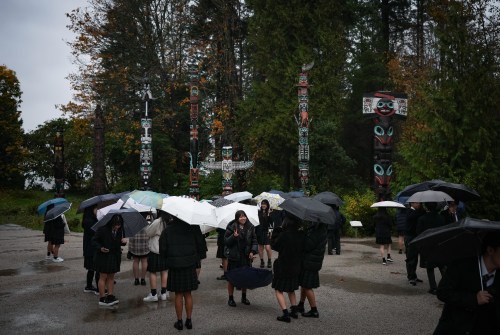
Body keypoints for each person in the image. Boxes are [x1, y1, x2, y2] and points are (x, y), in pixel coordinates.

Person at [433, 232, 500, 334]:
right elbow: (443, 292)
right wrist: (473, 298)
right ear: (490, 250)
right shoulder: (461, 266)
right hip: (456, 327)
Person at [164, 217, 207, 330]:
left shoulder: (168, 229)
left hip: (175, 264)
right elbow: (201, 245)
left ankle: (179, 322)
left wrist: (168, 259)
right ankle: (189, 321)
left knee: (178, 294)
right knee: (188, 293)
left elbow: (162, 249)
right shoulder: (194, 227)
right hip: (190, 263)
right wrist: (197, 259)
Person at [270, 213, 304, 322]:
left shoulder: (284, 235)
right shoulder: (301, 234)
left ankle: (285, 314)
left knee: (278, 290)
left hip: (283, 265)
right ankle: (294, 311)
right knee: (291, 289)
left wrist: (276, 231)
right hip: (295, 265)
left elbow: (274, 245)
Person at [224, 210, 258, 307]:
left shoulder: (250, 227)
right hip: (234, 256)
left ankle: (244, 297)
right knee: (231, 278)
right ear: (237, 218)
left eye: (244, 216)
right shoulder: (231, 226)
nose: (243, 218)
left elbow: (254, 241)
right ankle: (230, 298)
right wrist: (233, 236)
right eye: (240, 217)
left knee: (245, 277)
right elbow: (226, 242)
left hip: (245, 256)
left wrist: (252, 251)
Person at [92, 214, 127, 306]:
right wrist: (100, 248)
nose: (117, 227)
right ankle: (102, 298)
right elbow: (94, 241)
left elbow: (117, 243)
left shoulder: (120, 231)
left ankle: (110, 295)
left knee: (111, 277)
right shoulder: (102, 229)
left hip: (114, 256)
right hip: (103, 256)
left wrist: (123, 242)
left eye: (119, 225)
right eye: (116, 225)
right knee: (103, 276)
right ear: (111, 223)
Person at [296, 220, 328, 318]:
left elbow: (308, 245)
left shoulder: (318, 230)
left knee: (307, 286)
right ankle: (301, 305)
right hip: (312, 260)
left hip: (311, 261)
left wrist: (302, 235)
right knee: (304, 284)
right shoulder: (318, 228)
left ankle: (314, 310)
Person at [417, 202, 446, 294]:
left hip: (427, 244)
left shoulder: (422, 218)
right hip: (439, 243)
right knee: (441, 266)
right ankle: (446, 284)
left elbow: (419, 232)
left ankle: (433, 287)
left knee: (430, 267)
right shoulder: (441, 218)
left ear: (426, 207)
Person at [143, 210, 169, 302]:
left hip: (155, 249)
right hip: (165, 250)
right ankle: (163, 293)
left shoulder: (158, 221)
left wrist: (149, 224)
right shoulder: (169, 221)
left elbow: (148, 232)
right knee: (164, 271)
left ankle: (153, 294)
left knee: (153, 271)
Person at [405, 201, 426, 285]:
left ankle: (414, 275)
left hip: (416, 237)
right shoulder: (409, 211)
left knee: (415, 258)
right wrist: (423, 211)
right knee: (410, 258)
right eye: (416, 203)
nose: (419, 204)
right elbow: (413, 216)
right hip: (410, 237)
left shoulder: (418, 212)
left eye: (419, 203)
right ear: (412, 203)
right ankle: (411, 277)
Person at [128, 213, 150, 286]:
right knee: (144, 261)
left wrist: (129, 248)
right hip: (144, 245)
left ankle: (136, 280)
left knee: (135, 261)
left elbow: (130, 235)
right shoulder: (148, 224)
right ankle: (143, 279)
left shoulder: (133, 224)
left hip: (135, 246)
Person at [82, 205, 99, 294]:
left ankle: (89, 286)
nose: (97, 210)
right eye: (96, 209)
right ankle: (99, 289)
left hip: (89, 248)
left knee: (91, 268)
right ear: (91, 210)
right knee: (96, 268)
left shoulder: (88, 220)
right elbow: (96, 233)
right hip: (91, 248)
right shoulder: (90, 222)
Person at [256, 199, 274, 268]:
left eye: (265, 204)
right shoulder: (258, 212)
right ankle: (262, 261)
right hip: (259, 232)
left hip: (267, 232)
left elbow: (272, 223)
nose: (263, 205)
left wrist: (269, 214)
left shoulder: (270, 212)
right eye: (262, 204)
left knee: (267, 247)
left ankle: (269, 260)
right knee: (260, 248)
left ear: (267, 205)